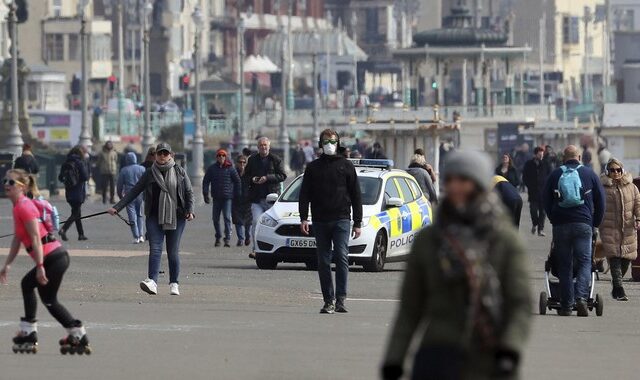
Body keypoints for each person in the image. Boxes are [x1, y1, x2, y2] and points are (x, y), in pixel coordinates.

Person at [381, 151, 531, 380]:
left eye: (463, 180)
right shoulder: (430, 240)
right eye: (449, 180)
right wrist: (394, 358)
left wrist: (510, 348)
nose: (455, 187)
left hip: (489, 357)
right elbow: (410, 307)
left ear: (480, 186)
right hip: (437, 355)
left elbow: (519, 303)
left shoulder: (504, 240)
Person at [0, 169, 91, 354]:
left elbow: (35, 238)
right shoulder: (18, 206)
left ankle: (70, 334)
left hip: (54, 258)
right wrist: (7, 264)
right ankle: (71, 333)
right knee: (41, 294)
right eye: (5, 181)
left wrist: (40, 267)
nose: (6, 185)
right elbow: (18, 239)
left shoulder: (25, 206)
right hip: (53, 258)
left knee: (44, 295)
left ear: (22, 187)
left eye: (11, 183)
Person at [108, 143, 195, 296]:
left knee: (172, 251)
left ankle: (174, 283)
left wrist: (190, 211)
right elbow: (134, 192)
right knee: (155, 249)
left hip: (177, 217)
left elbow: (189, 193)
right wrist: (117, 207)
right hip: (154, 217)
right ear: (155, 156)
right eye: (159, 153)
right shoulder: (149, 173)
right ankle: (152, 281)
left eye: (165, 153)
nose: (162, 156)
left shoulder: (180, 171)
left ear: (170, 155)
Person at [299, 129, 363, 314]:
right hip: (320, 220)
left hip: (342, 219)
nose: (329, 144)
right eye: (326, 141)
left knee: (342, 257)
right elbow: (304, 195)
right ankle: (329, 300)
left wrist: (357, 222)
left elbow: (356, 195)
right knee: (323, 261)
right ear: (320, 144)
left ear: (338, 143)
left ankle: (341, 299)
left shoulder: (346, 166)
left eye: (332, 141)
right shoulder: (312, 167)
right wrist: (304, 217)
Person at [543, 145, 605, 316]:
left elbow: (545, 199)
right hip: (584, 224)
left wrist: (553, 218)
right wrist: (595, 223)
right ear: (579, 157)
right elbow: (601, 202)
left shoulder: (555, 174)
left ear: (564, 158)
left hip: (561, 225)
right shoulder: (589, 173)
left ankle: (567, 305)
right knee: (585, 262)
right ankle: (581, 299)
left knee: (564, 264)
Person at [599, 158, 640, 301]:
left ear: (622, 170)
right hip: (609, 228)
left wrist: (638, 219)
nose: (615, 173)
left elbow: (637, 204)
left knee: (626, 259)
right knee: (614, 257)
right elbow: (596, 205)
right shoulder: (602, 188)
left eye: (618, 170)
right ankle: (619, 290)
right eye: (612, 170)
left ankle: (616, 283)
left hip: (628, 229)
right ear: (607, 171)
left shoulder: (631, 187)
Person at [244, 137, 286, 258]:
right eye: (261, 145)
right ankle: (256, 249)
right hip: (256, 198)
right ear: (258, 147)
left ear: (269, 146)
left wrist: (267, 178)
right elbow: (246, 176)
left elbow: (282, 175)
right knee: (256, 222)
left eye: (265, 145)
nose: (263, 147)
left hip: (271, 198)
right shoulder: (252, 160)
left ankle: (274, 248)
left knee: (273, 223)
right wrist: (253, 179)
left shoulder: (276, 159)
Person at [203, 149, 241, 248]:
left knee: (227, 218)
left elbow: (237, 181)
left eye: (223, 155)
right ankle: (218, 237)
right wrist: (205, 194)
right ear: (217, 157)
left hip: (227, 198)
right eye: (219, 155)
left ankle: (227, 238)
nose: (221, 157)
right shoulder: (212, 169)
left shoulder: (230, 168)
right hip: (216, 197)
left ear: (226, 157)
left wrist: (236, 194)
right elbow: (206, 181)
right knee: (215, 219)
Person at [58, 146, 90, 242]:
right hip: (78, 190)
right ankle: (64, 229)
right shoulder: (80, 162)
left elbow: (60, 177)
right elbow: (85, 177)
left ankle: (81, 234)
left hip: (69, 190)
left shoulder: (66, 162)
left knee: (77, 212)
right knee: (75, 213)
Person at [117, 152, 146, 244]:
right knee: (140, 215)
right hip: (140, 194)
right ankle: (141, 235)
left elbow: (119, 185)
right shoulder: (142, 168)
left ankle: (136, 236)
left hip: (129, 195)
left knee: (132, 216)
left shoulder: (124, 170)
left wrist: (120, 196)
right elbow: (146, 182)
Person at [522, 146, 550, 236]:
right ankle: (535, 224)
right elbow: (524, 177)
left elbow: (550, 175)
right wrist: (529, 186)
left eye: (542, 154)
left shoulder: (546, 163)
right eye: (539, 154)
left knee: (543, 212)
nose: (541, 156)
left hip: (543, 192)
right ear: (535, 154)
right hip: (533, 191)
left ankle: (540, 230)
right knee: (533, 210)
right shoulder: (529, 164)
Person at [232, 155, 253, 247]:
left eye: (244, 162)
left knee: (248, 221)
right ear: (237, 163)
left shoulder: (250, 173)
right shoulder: (233, 172)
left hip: (248, 199)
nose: (242, 164)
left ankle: (247, 236)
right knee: (237, 220)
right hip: (236, 199)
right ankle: (240, 239)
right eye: (240, 162)